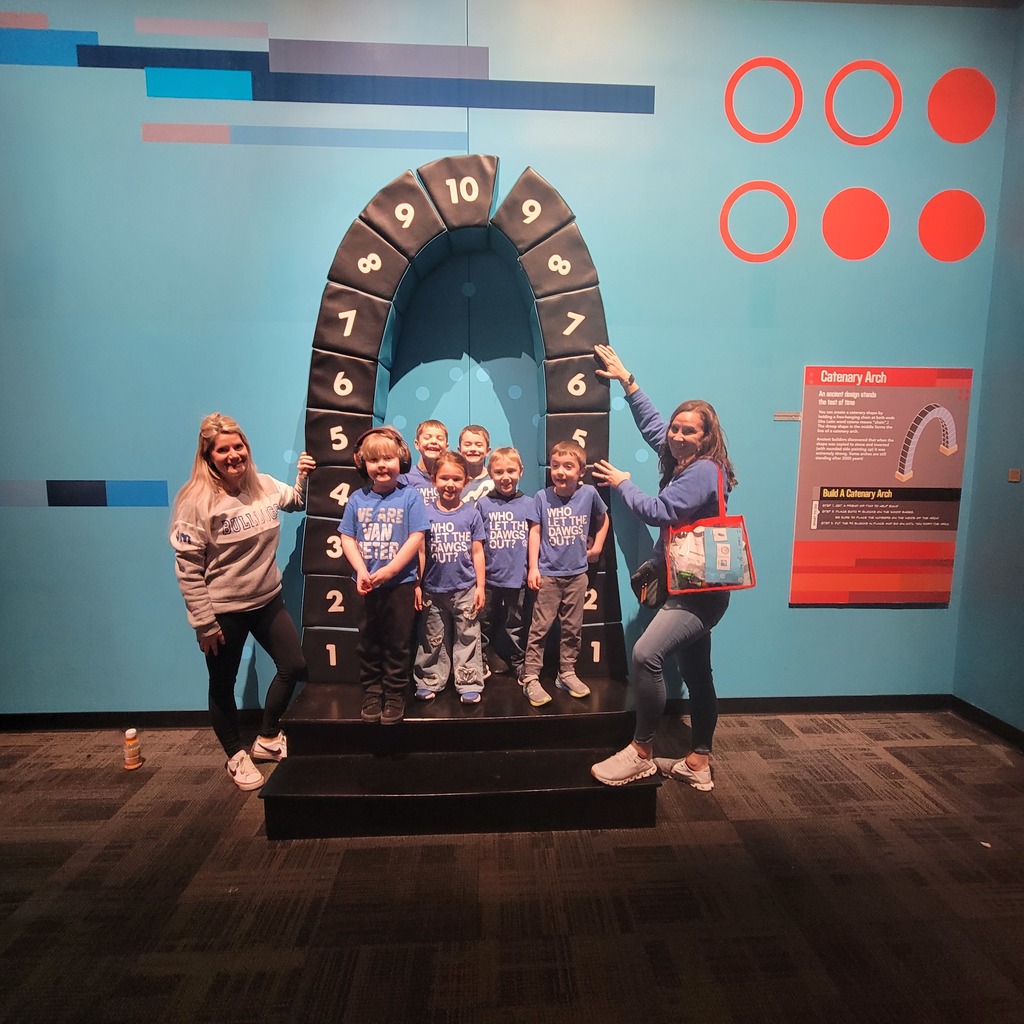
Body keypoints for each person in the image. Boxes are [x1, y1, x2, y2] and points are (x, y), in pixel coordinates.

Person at [589, 343, 735, 789]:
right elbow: (655, 428)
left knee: (645, 654)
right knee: (696, 674)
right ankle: (698, 763)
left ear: (707, 438)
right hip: (686, 584)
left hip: (699, 593)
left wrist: (623, 483)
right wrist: (628, 381)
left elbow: (659, 510)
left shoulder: (702, 472)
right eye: (677, 429)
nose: (677, 436)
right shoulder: (685, 458)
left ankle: (642, 751)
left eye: (689, 432)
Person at [170, 413, 316, 792]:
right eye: (223, 450)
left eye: (238, 447)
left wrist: (303, 475)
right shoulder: (196, 501)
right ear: (208, 456)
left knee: (294, 665)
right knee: (222, 683)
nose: (233, 455)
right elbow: (187, 569)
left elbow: (297, 501)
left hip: (267, 599)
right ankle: (235, 754)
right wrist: (204, 622)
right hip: (223, 611)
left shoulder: (263, 486)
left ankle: (267, 738)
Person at [339, 427, 428, 725]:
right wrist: (362, 571)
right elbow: (347, 538)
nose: (381, 465)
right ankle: (372, 690)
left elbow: (416, 536)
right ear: (362, 464)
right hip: (365, 586)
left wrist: (391, 570)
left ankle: (394, 692)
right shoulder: (356, 499)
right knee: (368, 640)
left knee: (398, 642)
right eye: (374, 460)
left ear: (400, 460)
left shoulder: (410, 497)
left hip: (399, 586)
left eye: (388, 458)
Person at [520, 440, 609, 707]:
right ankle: (531, 677)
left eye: (568, 466)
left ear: (581, 471)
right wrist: (534, 567)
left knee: (572, 628)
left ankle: (566, 672)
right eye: (555, 465)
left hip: (577, 575)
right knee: (540, 628)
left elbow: (603, 519)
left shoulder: (590, 494)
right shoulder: (541, 497)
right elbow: (534, 531)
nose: (560, 471)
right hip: (548, 574)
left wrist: (598, 547)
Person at [413, 451, 487, 703]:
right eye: (444, 478)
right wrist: (418, 584)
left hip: (465, 589)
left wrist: (480, 586)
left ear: (466, 482)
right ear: (434, 480)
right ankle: (429, 678)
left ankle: (468, 682)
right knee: (432, 638)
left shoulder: (471, 514)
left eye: (456, 479)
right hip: (433, 589)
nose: (450, 484)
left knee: (468, 636)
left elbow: (477, 551)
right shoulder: (424, 513)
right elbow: (420, 551)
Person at [476, 447, 533, 681]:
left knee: (515, 623)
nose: (505, 477)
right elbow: (477, 543)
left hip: (517, 577)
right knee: (484, 621)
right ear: (490, 473)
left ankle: (519, 662)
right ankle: (480, 659)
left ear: (521, 471)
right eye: (498, 471)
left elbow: (536, 541)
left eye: (511, 470)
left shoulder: (530, 503)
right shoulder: (482, 504)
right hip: (488, 578)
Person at [404, 419, 448, 506]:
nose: (434, 441)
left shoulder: (450, 477)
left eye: (440, 438)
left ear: (446, 446)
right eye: (427, 437)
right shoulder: (406, 477)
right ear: (417, 444)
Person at [458, 424, 495, 504]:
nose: (473, 449)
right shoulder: (453, 480)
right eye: (467, 445)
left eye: (479, 445)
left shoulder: (495, 481)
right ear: (459, 450)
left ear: (488, 451)